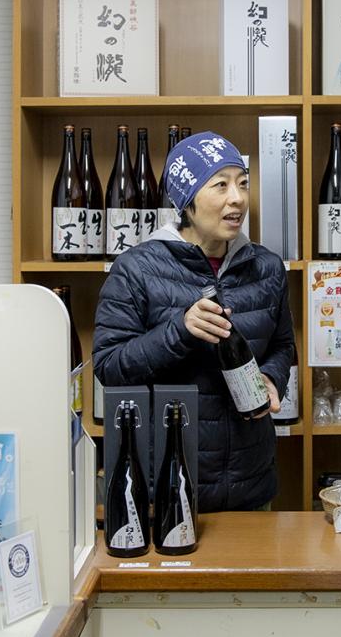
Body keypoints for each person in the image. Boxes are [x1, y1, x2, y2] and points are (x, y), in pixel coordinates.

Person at [93, 131, 296, 512]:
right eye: (220, 185)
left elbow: (284, 346)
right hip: (170, 483)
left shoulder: (267, 267)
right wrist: (179, 331)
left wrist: (272, 377)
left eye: (243, 183)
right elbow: (109, 367)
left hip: (251, 485)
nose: (237, 198)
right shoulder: (135, 270)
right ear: (186, 202)